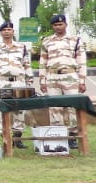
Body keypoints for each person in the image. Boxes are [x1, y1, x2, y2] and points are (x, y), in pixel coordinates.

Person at [37, 12, 87, 150]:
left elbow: (81, 61)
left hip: (70, 76)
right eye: (55, 25)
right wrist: (42, 80)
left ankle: (72, 136)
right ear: (52, 26)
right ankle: (58, 134)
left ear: (66, 24)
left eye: (60, 24)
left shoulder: (75, 40)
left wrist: (82, 80)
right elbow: (43, 61)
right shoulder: (47, 41)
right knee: (55, 107)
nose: (58, 27)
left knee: (72, 107)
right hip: (53, 77)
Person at [0, 20, 31, 148]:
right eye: (4, 30)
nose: (7, 32)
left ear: (13, 31)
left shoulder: (21, 47)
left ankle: (17, 138)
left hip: (19, 82)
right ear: (0, 32)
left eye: (9, 30)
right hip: (2, 83)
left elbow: (27, 65)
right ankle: (5, 137)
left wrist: (29, 83)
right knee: (2, 110)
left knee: (20, 110)